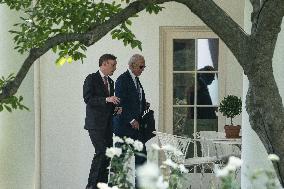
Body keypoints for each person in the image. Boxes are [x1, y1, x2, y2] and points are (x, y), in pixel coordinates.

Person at [83, 54, 121, 189]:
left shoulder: (111, 82)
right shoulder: (91, 78)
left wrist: (117, 109)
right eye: (113, 65)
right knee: (101, 151)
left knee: (108, 154)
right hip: (95, 125)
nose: (115, 68)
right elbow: (88, 99)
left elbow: (109, 105)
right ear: (104, 64)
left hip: (108, 125)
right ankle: (91, 186)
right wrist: (107, 99)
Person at [113, 54, 148, 177]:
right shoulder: (122, 80)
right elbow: (119, 104)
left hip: (136, 128)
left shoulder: (136, 79)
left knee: (142, 159)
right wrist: (132, 119)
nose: (143, 69)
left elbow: (133, 100)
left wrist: (143, 105)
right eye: (141, 66)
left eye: (144, 66)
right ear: (132, 65)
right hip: (124, 127)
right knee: (119, 162)